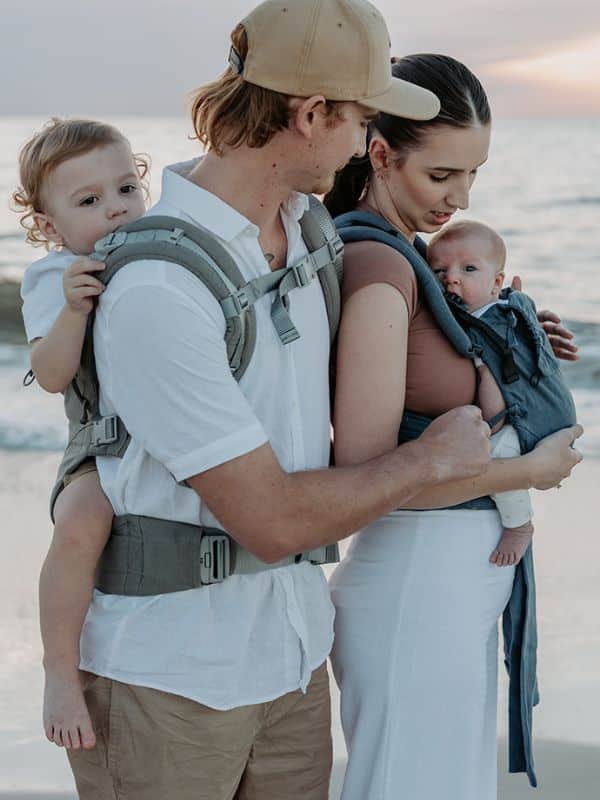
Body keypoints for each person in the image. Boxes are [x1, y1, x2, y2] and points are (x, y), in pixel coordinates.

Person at [24, 4, 579, 800]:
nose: (364, 143)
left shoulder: (310, 233)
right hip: (171, 678)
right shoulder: (159, 286)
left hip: (290, 659)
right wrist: (437, 459)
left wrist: (504, 322)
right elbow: (272, 518)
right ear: (310, 115)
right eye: (360, 120)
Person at [325, 54, 581, 800]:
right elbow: (370, 481)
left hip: (449, 580)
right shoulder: (379, 266)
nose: (459, 197)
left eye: (473, 175)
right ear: (379, 152)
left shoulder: (416, 261)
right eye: (441, 176)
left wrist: (514, 339)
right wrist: (524, 475)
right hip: (414, 580)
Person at [13, 118, 148, 750]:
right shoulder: (54, 277)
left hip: (163, 436)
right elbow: (50, 373)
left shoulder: (158, 249)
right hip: (100, 443)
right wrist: (73, 309)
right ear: (49, 227)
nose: (116, 211)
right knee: (83, 521)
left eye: (126, 189)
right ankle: (60, 673)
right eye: (89, 202)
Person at [427, 219, 575, 567]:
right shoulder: (507, 308)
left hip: (541, 423)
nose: (452, 277)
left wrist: (488, 425)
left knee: (496, 454)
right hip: (555, 410)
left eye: (468, 269)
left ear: (496, 282)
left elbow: (493, 387)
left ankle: (519, 524)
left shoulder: (482, 326)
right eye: (439, 270)